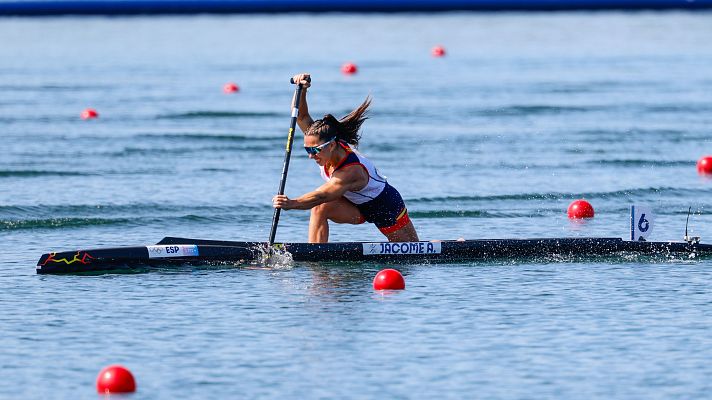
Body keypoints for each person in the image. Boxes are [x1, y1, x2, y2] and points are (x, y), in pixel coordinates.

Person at [272, 73, 419, 243]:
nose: (311, 156)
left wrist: (292, 203)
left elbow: (323, 195)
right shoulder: (321, 140)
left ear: (332, 145)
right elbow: (301, 116)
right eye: (307, 150)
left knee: (414, 251)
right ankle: (317, 257)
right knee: (320, 209)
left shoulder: (351, 170)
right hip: (354, 206)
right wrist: (301, 91)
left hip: (385, 207)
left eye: (315, 150)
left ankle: (456, 245)